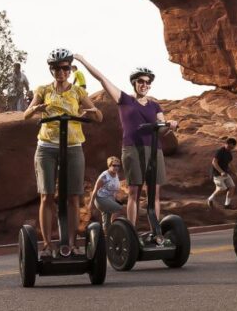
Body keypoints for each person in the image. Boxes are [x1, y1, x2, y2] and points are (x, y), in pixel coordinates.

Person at [74, 54, 178, 229]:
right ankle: (131, 231)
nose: (144, 85)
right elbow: (102, 79)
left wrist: (170, 125)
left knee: (154, 192)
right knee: (134, 192)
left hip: (153, 150)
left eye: (147, 82)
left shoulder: (155, 106)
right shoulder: (124, 100)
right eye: (140, 81)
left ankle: (156, 232)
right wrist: (82, 60)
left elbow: (161, 128)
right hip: (132, 149)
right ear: (134, 83)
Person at [24, 48, 103, 258]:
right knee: (46, 195)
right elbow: (26, 114)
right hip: (47, 147)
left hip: (73, 146)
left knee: (73, 197)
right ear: (51, 70)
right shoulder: (43, 90)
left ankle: (72, 244)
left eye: (65, 68)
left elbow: (99, 116)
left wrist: (92, 112)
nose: (61, 72)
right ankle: (48, 245)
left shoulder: (78, 92)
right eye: (57, 68)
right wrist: (36, 109)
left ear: (70, 70)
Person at [89, 156, 124, 232]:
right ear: (109, 165)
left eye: (118, 166)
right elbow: (95, 190)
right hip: (101, 199)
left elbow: (114, 191)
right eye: (114, 165)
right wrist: (91, 204)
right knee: (119, 209)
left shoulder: (116, 175)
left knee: (107, 223)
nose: (116, 167)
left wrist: (115, 200)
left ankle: (107, 238)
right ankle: (115, 228)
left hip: (110, 199)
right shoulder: (104, 176)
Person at [207, 137, 237, 209]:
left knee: (232, 187)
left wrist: (235, 172)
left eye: (232, 148)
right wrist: (221, 172)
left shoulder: (229, 153)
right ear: (226, 144)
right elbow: (214, 162)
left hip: (225, 173)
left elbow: (230, 163)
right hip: (217, 174)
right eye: (229, 147)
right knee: (222, 188)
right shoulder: (220, 151)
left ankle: (227, 204)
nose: (230, 149)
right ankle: (210, 199)